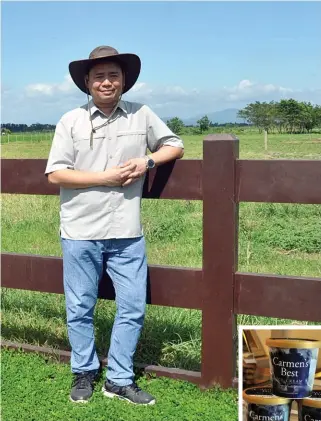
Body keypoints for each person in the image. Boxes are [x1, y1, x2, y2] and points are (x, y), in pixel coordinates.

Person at [45, 46, 184, 405]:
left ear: (124, 81)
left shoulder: (142, 115)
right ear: (87, 83)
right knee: (79, 307)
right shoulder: (70, 121)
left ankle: (119, 379)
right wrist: (104, 177)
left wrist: (147, 163)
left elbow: (174, 145)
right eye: (99, 76)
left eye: (113, 75)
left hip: (126, 230)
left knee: (133, 306)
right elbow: (55, 172)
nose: (106, 82)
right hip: (80, 230)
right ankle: (83, 372)